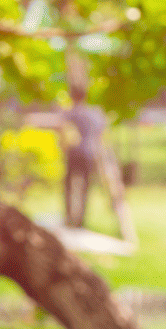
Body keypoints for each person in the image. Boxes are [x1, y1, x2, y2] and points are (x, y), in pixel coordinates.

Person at [61, 81, 108, 229]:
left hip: (74, 153)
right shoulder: (95, 113)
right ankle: (81, 220)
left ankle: (70, 218)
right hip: (89, 153)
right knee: (85, 187)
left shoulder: (71, 112)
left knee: (69, 186)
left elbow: (62, 130)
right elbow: (101, 132)